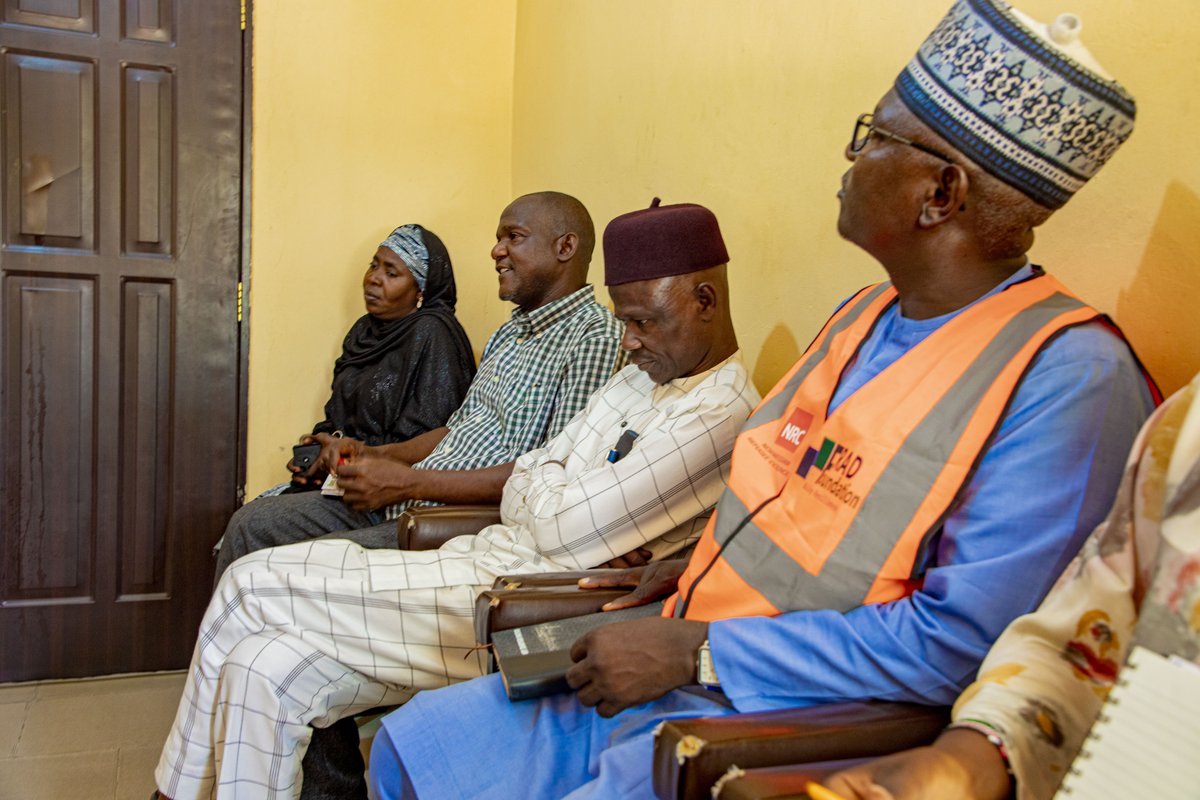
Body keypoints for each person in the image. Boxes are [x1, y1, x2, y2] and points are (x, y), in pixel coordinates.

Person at [366, 3, 1160, 798]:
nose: (849, 159)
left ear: (939, 192)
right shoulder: (860, 315)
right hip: (673, 638)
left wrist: (699, 652)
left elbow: (964, 646)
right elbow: (795, 492)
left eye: (874, 138)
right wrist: (688, 566)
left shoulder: (1069, 377)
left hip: (766, 718)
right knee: (406, 747)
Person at [152, 200, 762, 800]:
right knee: (261, 667)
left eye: (643, 323)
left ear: (702, 302)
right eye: (625, 322)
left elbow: (564, 527)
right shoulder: (638, 374)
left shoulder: (719, 411)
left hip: (516, 598)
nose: (627, 342)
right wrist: (548, 489)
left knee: (247, 583)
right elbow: (534, 473)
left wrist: (544, 490)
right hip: (482, 549)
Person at [823, 371, 1199, 800]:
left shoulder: (1077, 371)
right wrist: (964, 765)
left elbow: (952, 638)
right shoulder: (1187, 428)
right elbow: (1080, 654)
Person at [213, 191, 626, 576]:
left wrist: (407, 482)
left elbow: (548, 477)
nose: (496, 251)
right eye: (498, 239)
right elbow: (455, 431)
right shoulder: (509, 334)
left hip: (449, 520)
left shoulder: (593, 338)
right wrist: (377, 456)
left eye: (513, 237)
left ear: (565, 248)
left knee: (280, 570)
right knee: (252, 524)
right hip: (409, 495)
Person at [265, 224, 475, 496]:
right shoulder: (362, 331)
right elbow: (337, 419)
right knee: (257, 513)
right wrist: (318, 452)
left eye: (391, 273)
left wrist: (347, 457)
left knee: (253, 523)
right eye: (373, 266)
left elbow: (434, 437)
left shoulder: (432, 333)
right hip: (341, 477)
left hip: (388, 486)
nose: (373, 279)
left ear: (420, 291)